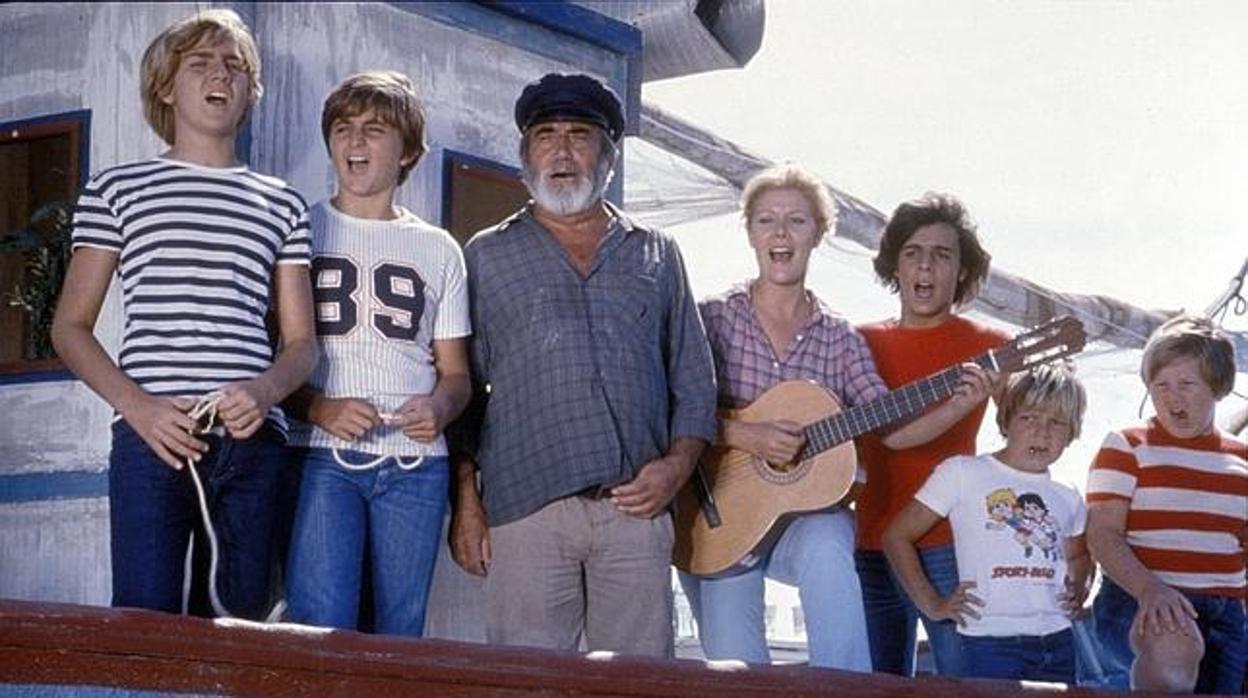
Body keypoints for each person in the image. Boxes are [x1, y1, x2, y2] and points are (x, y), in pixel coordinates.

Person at [50, 9, 317, 620]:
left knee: (238, 625)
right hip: (153, 441)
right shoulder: (117, 189)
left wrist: (264, 390)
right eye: (199, 63)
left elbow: (302, 344)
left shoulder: (282, 204)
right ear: (167, 87)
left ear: (249, 91)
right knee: (141, 625)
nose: (218, 74)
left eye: (234, 66)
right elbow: (69, 327)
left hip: (251, 445)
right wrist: (138, 408)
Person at [677, 165, 996, 670]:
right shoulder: (710, 316)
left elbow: (889, 428)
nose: (781, 233)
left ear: (818, 234)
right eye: (767, 220)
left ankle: (844, 684)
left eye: (797, 221)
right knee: (738, 675)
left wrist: (959, 402)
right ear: (751, 233)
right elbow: (667, 407)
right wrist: (746, 434)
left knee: (830, 538)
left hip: (797, 524)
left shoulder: (839, 337)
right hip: (717, 515)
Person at [446, 72, 717, 657]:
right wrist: (466, 504)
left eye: (580, 134)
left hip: (635, 511)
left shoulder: (657, 251)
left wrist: (674, 470)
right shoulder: (486, 255)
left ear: (609, 158)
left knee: (639, 687)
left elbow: (694, 383)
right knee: (525, 687)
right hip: (525, 509)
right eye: (545, 135)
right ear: (525, 158)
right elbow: (464, 391)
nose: (563, 150)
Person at [282, 71, 470, 636]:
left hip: (417, 465)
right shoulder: (300, 227)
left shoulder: (439, 248)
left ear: (408, 149)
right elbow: (269, 353)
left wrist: (439, 409)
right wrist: (319, 409)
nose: (355, 142)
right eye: (343, 129)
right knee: (322, 624)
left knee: (400, 629)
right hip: (322, 454)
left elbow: (456, 375)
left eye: (374, 129)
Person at [853, 193, 1010, 676]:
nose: (926, 266)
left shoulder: (991, 345)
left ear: (962, 271)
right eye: (913, 253)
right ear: (894, 265)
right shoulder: (856, 341)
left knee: (964, 682)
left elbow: (1027, 432)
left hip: (951, 542)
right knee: (876, 685)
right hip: (868, 542)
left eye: (943, 255)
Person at [882, 363, 1093, 683]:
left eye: (1056, 422)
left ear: (1072, 433)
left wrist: (1081, 589)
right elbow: (896, 536)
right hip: (988, 643)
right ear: (1005, 421)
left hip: (1058, 640)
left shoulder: (1069, 494)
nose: (1041, 431)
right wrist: (933, 604)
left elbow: (1079, 555)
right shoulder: (962, 473)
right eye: (1028, 418)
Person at [1085, 314, 1246, 694]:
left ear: (1218, 387)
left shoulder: (1242, 461)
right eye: (1161, 385)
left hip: (1227, 611)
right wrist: (1149, 590)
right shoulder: (1126, 446)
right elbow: (1102, 534)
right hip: (1140, 596)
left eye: (1186, 384)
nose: (1172, 397)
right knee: (1173, 660)